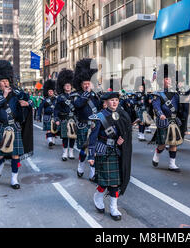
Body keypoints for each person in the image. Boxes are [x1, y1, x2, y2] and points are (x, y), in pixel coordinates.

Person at [0, 60, 34, 190]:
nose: (6, 83)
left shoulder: (17, 93)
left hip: (14, 127)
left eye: (7, 80)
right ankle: (0, 165)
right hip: (1, 127)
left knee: (15, 155)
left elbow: (30, 99)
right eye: (3, 81)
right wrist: (4, 95)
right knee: (0, 154)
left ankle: (14, 179)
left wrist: (28, 103)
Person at [88, 91, 133, 221]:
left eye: (116, 100)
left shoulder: (121, 115)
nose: (114, 102)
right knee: (104, 181)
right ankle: (98, 195)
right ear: (106, 102)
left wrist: (121, 141)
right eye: (112, 100)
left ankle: (113, 208)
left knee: (115, 182)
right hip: (103, 151)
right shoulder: (98, 117)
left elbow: (125, 133)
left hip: (117, 151)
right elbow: (92, 138)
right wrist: (91, 156)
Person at [73, 58, 101, 180]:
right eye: (84, 84)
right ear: (80, 84)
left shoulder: (96, 95)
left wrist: (97, 91)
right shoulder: (77, 95)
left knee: (93, 149)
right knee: (84, 149)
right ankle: (80, 165)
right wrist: (87, 93)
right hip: (83, 125)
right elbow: (78, 104)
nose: (86, 85)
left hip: (95, 124)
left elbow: (102, 107)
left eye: (88, 83)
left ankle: (93, 172)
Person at [151, 63, 183, 172]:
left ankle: (172, 164)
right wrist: (161, 115)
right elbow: (156, 107)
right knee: (163, 144)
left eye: (170, 79)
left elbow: (182, 105)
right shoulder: (158, 94)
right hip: (163, 120)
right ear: (162, 80)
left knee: (174, 142)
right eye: (166, 79)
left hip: (174, 120)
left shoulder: (177, 93)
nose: (169, 81)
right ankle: (157, 153)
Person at [54, 69, 77, 161]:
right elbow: (56, 109)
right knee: (65, 137)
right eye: (66, 85)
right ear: (63, 86)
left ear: (71, 86)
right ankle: (65, 153)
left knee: (72, 136)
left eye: (69, 85)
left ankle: (71, 152)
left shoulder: (75, 96)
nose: (68, 86)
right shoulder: (60, 97)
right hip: (64, 119)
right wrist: (56, 119)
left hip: (73, 119)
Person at [37, 80, 58, 148]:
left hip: (55, 117)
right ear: (47, 92)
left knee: (54, 130)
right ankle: (50, 141)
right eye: (49, 91)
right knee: (49, 130)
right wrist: (38, 116)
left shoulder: (56, 99)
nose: (50, 92)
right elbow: (40, 108)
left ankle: (52, 140)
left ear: (53, 92)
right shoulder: (44, 100)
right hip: (47, 116)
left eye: (51, 91)